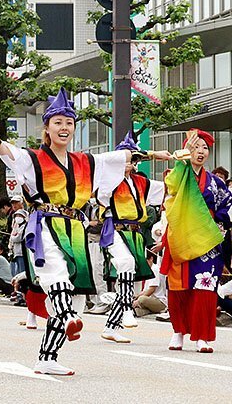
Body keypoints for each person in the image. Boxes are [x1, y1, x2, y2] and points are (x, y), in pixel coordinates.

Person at [0, 87, 169, 376]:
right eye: (57, 122)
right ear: (47, 128)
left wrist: (156, 154)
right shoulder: (33, 158)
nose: (64, 127)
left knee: (77, 295)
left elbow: (123, 157)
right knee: (55, 274)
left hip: (75, 229)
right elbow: (6, 150)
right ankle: (67, 316)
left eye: (69, 123)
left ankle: (47, 357)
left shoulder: (86, 162)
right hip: (45, 224)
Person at [158, 129, 232, 353]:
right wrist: (182, 157)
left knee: (205, 286)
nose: (200, 152)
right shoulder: (177, 172)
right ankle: (178, 331)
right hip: (180, 236)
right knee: (178, 286)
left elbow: (226, 205)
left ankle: (203, 336)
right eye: (195, 147)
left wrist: (220, 225)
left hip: (206, 239)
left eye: (204, 148)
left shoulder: (214, 182)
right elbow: (171, 186)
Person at [96, 133, 169, 344]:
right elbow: (101, 196)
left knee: (129, 280)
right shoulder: (107, 181)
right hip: (115, 229)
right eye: (126, 160)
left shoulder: (140, 182)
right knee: (125, 264)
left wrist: (182, 167)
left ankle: (111, 326)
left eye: (132, 161)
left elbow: (167, 187)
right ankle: (127, 307)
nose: (129, 164)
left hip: (134, 233)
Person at [82, 198, 110, 315]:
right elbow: (82, 223)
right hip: (88, 242)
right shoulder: (88, 207)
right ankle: (93, 302)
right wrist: (89, 224)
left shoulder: (104, 208)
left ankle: (103, 302)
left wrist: (89, 225)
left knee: (98, 273)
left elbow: (100, 226)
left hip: (99, 243)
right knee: (90, 273)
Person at [133, 252, 167, 317]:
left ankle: (144, 309)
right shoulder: (148, 270)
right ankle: (144, 311)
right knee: (136, 299)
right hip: (150, 300)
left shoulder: (155, 269)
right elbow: (145, 290)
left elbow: (152, 289)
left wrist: (138, 299)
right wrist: (136, 297)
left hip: (160, 301)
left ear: (151, 259)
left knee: (142, 299)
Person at [8, 195, 28, 277]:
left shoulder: (23, 216)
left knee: (21, 274)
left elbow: (19, 236)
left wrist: (12, 238)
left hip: (21, 251)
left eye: (16, 202)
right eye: (12, 203)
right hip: (14, 251)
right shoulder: (14, 218)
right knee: (15, 274)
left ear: (21, 203)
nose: (14, 205)